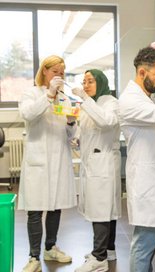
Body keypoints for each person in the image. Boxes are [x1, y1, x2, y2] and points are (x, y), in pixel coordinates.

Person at [18, 55, 77, 272]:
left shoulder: (65, 98)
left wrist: (72, 123)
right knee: (35, 209)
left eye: (62, 72)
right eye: (55, 72)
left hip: (59, 158)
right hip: (38, 161)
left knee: (55, 206)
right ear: (45, 71)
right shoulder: (30, 93)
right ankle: (34, 257)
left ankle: (50, 248)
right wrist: (49, 94)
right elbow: (28, 114)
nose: (59, 76)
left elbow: (69, 134)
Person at [118, 46, 155, 272]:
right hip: (146, 182)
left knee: (149, 242)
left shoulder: (146, 98)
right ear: (142, 72)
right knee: (144, 244)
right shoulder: (129, 100)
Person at [72, 69, 121, 272]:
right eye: (84, 82)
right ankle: (108, 250)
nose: (86, 85)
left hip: (104, 162)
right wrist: (76, 136)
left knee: (101, 208)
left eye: (90, 81)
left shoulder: (110, 102)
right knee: (105, 207)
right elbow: (85, 132)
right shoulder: (88, 105)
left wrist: (85, 99)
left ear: (100, 82)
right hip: (92, 161)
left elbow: (105, 121)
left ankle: (98, 258)